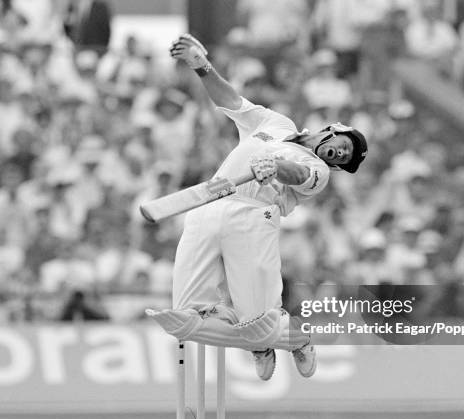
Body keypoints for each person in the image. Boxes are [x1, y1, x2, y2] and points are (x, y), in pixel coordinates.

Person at [146, 34, 368, 381]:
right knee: (184, 319)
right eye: (344, 146)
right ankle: (256, 338)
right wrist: (200, 66)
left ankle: (290, 338)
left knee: (260, 321)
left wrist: (276, 168)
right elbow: (231, 101)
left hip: (253, 216)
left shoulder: (321, 172)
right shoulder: (277, 124)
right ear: (335, 130)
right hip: (208, 205)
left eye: (346, 159)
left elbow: (298, 173)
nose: (341, 154)